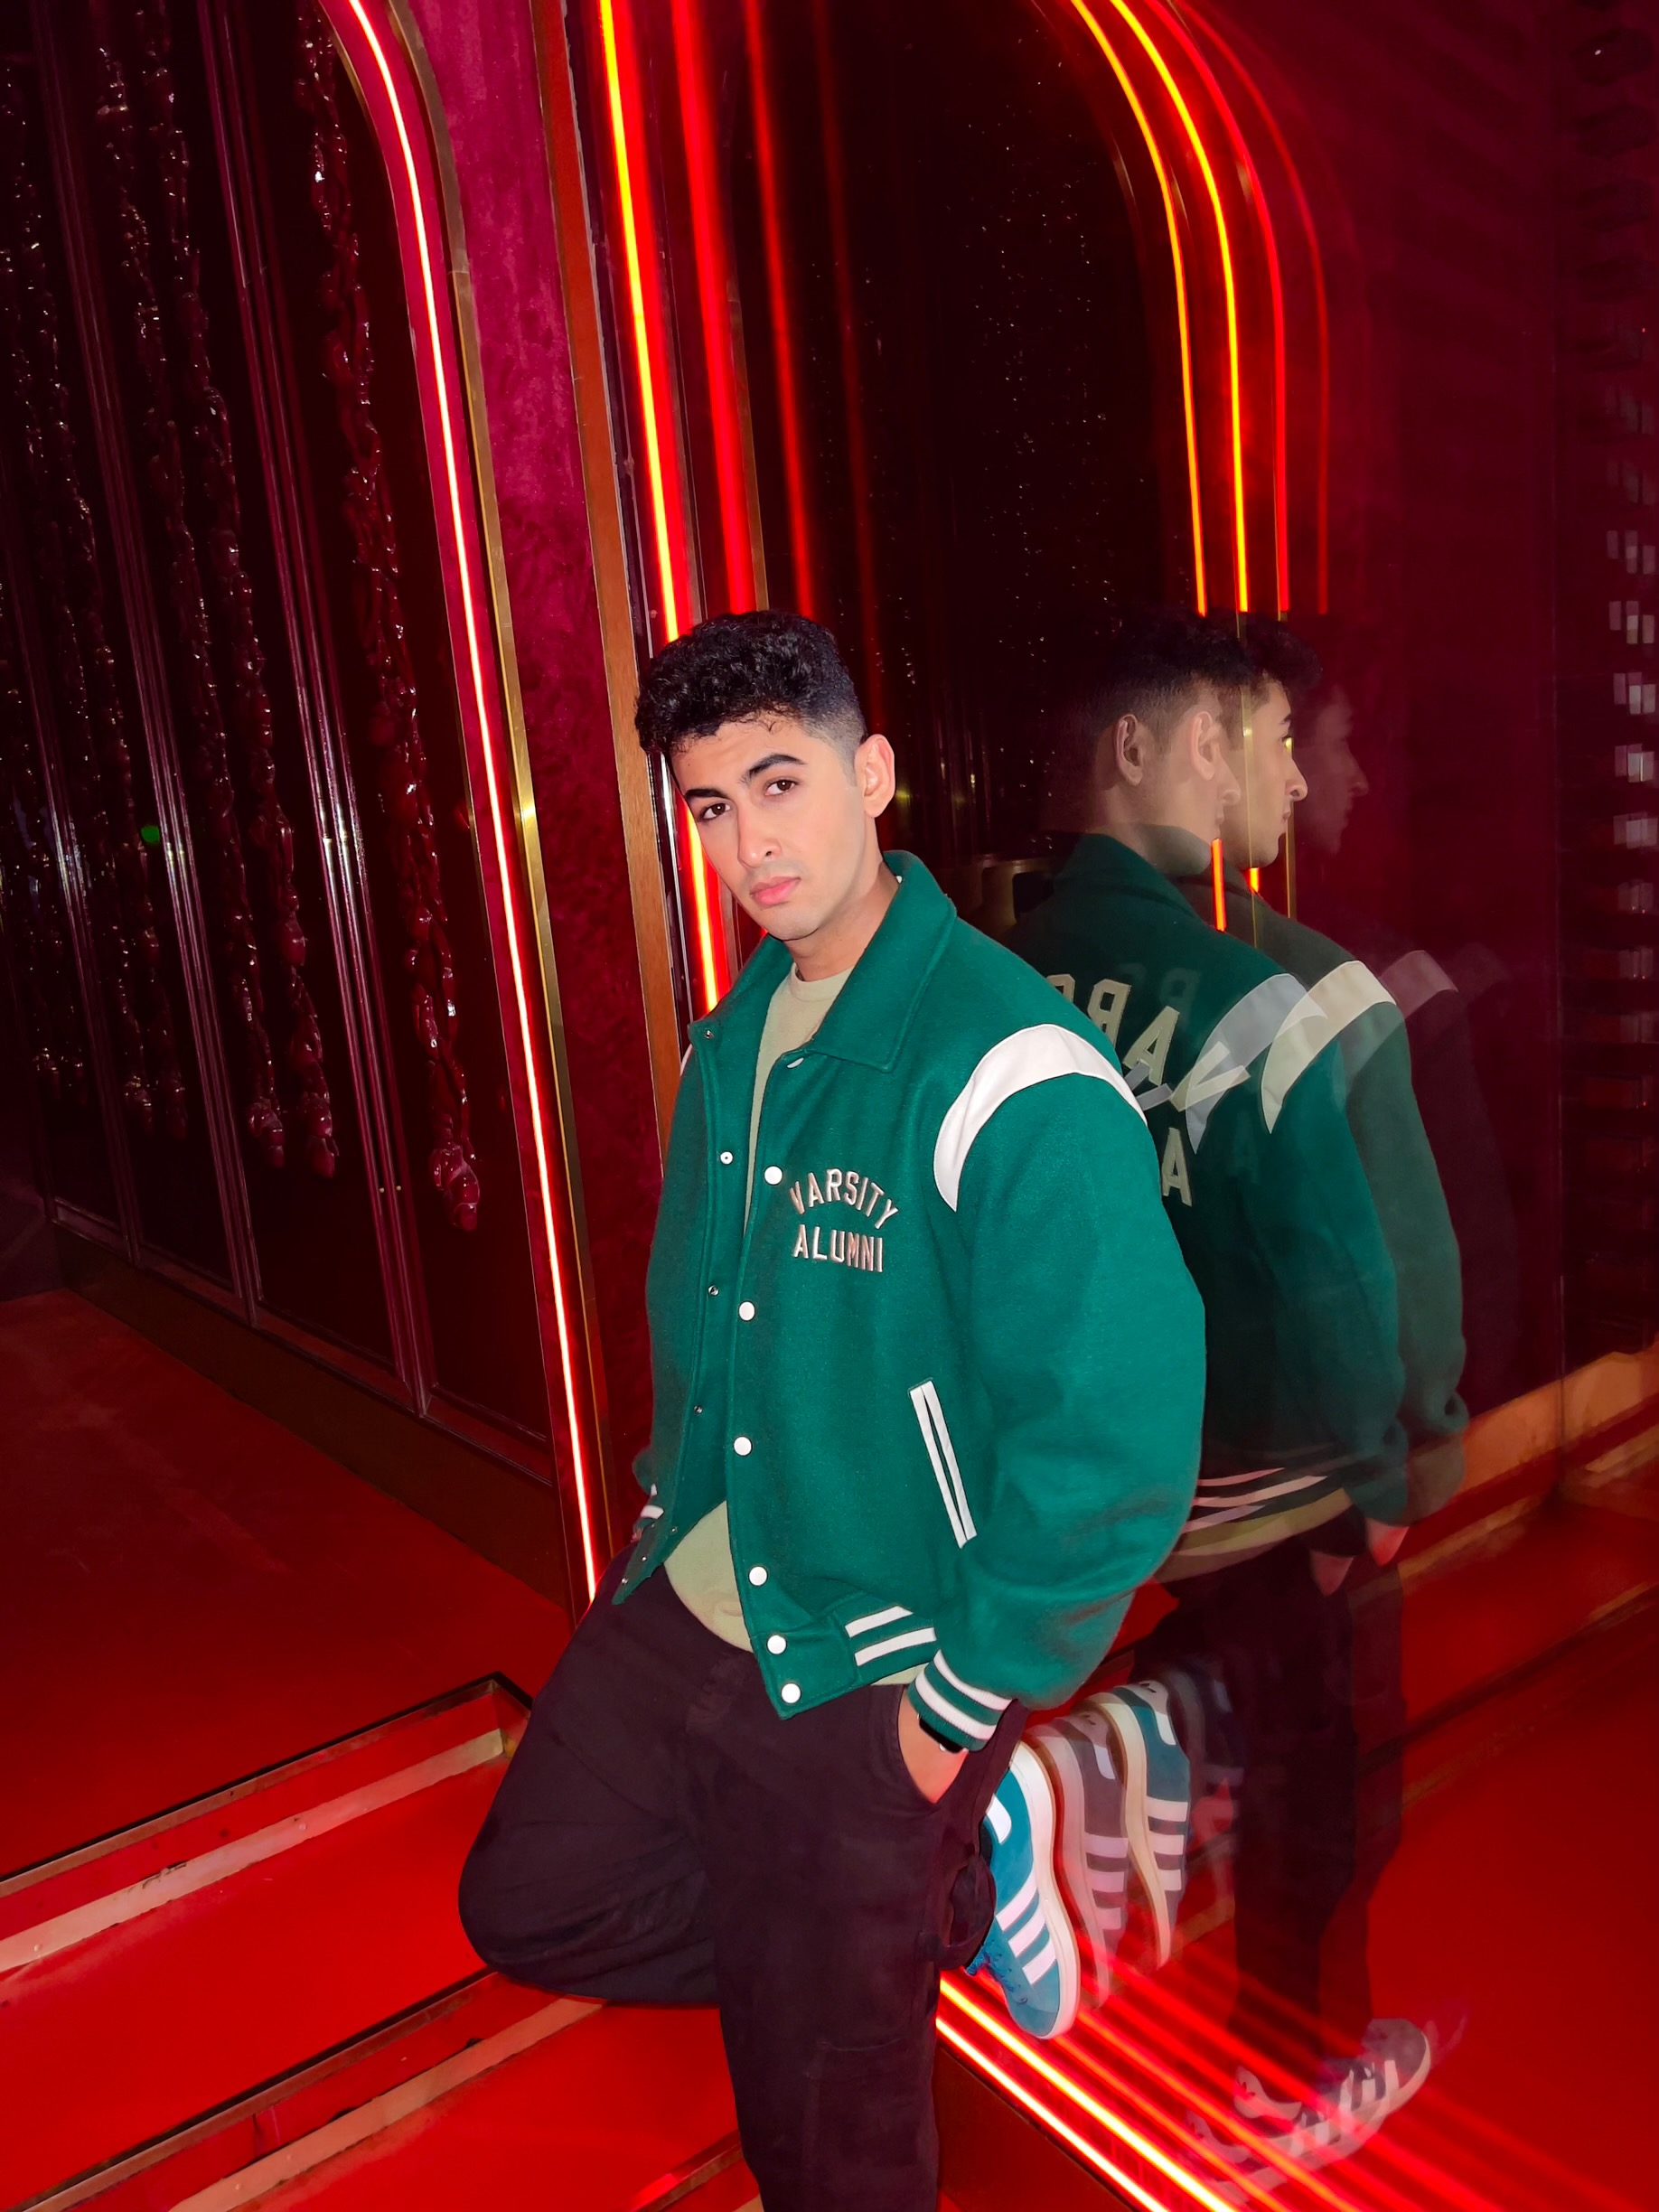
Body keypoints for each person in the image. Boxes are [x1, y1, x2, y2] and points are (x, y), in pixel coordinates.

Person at [458, 610, 1205, 2212]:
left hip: (878, 1655)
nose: (750, 845)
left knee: (826, 2149)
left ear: (872, 776)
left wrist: (960, 1705)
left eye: (782, 784)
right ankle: (939, 1900)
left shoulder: (1009, 1064)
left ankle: (904, 1884)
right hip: (705, 1585)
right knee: (532, 1901)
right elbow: (716, 1332)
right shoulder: (734, 1047)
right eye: (713, 806)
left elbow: (1118, 1435)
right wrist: (663, 1516)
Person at [1007, 607, 1428, 2186]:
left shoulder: (994, 986)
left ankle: (1100, 1757)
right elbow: (1336, 1278)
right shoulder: (1250, 1001)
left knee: (1238, 1680)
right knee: (1323, 1765)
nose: (1284, 780)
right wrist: (1377, 1479)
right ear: (1147, 751)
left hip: (1062, 1477)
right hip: (1250, 1478)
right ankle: (1288, 2080)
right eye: (1249, 741)